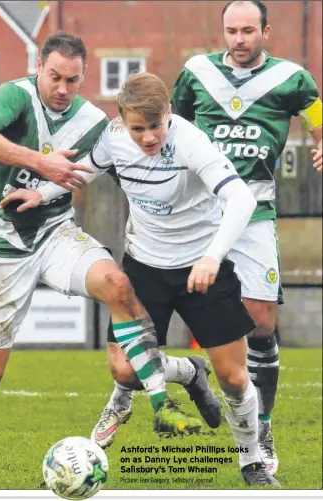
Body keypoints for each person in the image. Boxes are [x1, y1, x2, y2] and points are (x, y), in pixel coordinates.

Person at [0, 34, 203, 488]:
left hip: (56, 235)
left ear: (84, 78)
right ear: (38, 66)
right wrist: (41, 163)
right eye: (55, 77)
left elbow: (137, 163)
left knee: (118, 285)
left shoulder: (94, 122)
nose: (62, 88)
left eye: (73, 80)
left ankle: (161, 402)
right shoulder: (14, 98)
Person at [0, 71, 281, 486]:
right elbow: (84, 172)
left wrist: (211, 256)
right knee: (125, 372)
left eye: (156, 125)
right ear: (122, 122)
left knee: (236, 379)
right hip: (144, 266)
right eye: (138, 128)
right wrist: (41, 193)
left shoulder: (190, 141)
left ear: (168, 113)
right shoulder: (112, 139)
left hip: (202, 267)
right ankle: (188, 372)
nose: (149, 137)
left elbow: (239, 198)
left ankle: (251, 461)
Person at [94, 0, 323, 476]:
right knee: (139, 338)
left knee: (260, 323)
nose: (239, 39)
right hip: (197, 210)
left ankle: (260, 427)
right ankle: (127, 390)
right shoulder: (196, 71)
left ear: (266, 31)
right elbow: (165, 124)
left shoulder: (291, 78)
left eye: (248, 31)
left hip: (252, 207)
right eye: (231, 30)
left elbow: (316, 113)